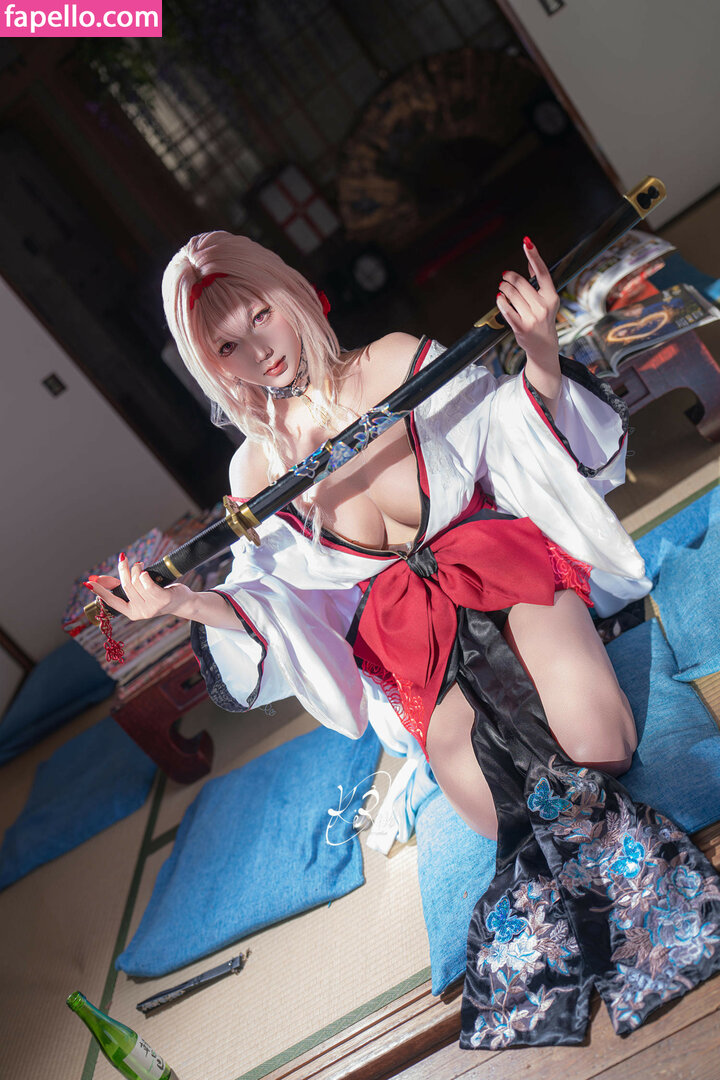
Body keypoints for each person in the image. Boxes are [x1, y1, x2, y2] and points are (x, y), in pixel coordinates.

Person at [86, 231, 720, 1048]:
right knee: (494, 814)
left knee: (601, 745)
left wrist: (539, 353)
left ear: (291, 291)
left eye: (259, 315)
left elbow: (510, 434)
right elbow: (274, 601)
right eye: (228, 347)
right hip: (409, 634)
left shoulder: (392, 361)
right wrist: (183, 604)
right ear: (214, 368)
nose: (258, 351)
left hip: (499, 564)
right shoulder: (254, 473)